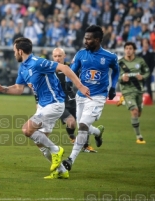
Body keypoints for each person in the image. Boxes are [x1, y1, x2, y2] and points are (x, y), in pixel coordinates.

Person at [0, 37, 91, 179]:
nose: (14, 54)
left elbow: (64, 68)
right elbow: (18, 89)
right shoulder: (23, 68)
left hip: (54, 104)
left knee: (27, 129)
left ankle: (56, 150)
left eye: (14, 51)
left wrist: (80, 86)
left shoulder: (38, 63)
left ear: (20, 51)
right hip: (43, 107)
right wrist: (2, 89)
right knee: (40, 143)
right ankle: (62, 171)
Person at [62, 25, 120, 171]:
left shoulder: (109, 56)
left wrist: (113, 87)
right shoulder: (81, 54)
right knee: (83, 126)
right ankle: (98, 132)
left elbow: (116, 71)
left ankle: (70, 160)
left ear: (98, 40)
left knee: (82, 126)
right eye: (85, 38)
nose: (85, 41)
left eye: (89, 39)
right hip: (81, 96)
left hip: (98, 97)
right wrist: (69, 83)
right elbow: (72, 70)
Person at [51, 47, 99, 153]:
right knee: (72, 122)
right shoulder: (49, 70)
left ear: (64, 56)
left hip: (73, 99)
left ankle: (86, 145)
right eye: (55, 56)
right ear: (52, 57)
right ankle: (73, 137)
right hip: (58, 102)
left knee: (83, 122)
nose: (57, 58)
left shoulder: (71, 67)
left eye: (60, 56)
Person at [118, 41, 149, 144]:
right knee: (134, 111)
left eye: (130, 48)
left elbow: (147, 72)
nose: (128, 50)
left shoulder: (140, 61)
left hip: (138, 90)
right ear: (124, 50)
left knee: (138, 113)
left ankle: (123, 102)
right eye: (126, 48)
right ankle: (139, 136)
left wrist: (142, 77)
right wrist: (122, 78)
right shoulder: (120, 63)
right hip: (127, 91)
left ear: (134, 50)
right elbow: (114, 77)